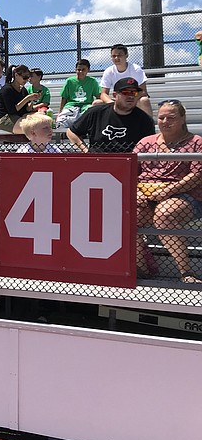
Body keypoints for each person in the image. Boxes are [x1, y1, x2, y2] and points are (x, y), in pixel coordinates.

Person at [134, 100, 202, 283]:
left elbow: (197, 175)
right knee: (129, 214)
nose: (165, 121)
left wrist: (167, 192)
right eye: (161, 117)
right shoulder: (146, 142)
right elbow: (129, 172)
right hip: (146, 193)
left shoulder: (196, 142)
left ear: (182, 119)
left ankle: (186, 272)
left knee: (166, 214)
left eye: (171, 117)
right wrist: (136, 192)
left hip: (184, 195)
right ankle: (141, 269)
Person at [67, 77, 155, 153]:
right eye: (126, 92)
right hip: (97, 162)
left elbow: (150, 145)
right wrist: (85, 150)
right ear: (115, 95)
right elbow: (71, 132)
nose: (131, 96)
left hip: (128, 164)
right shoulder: (96, 113)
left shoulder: (145, 120)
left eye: (134, 93)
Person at [100, 44, 152, 115]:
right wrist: (111, 102)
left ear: (126, 55)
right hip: (117, 100)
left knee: (144, 100)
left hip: (133, 98)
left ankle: (148, 125)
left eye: (119, 55)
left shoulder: (135, 69)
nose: (116, 58)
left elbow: (143, 91)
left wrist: (128, 99)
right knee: (97, 103)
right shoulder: (108, 71)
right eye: (113, 56)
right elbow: (103, 94)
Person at [55, 59, 102, 129]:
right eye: (78, 69)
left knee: (92, 117)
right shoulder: (70, 81)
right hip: (71, 106)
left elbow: (99, 96)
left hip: (86, 107)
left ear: (88, 70)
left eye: (83, 70)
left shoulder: (92, 81)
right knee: (61, 120)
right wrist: (60, 112)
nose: (80, 72)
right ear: (75, 70)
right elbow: (64, 97)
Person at [0, 64, 39, 135]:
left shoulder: (23, 90)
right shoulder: (6, 89)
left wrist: (32, 100)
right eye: (24, 77)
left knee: (41, 119)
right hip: (5, 118)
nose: (26, 80)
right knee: (32, 130)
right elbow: (12, 110)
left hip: (20, 116)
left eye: (28, 77)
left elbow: (26, 109)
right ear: (16, 75)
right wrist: (27, 98)